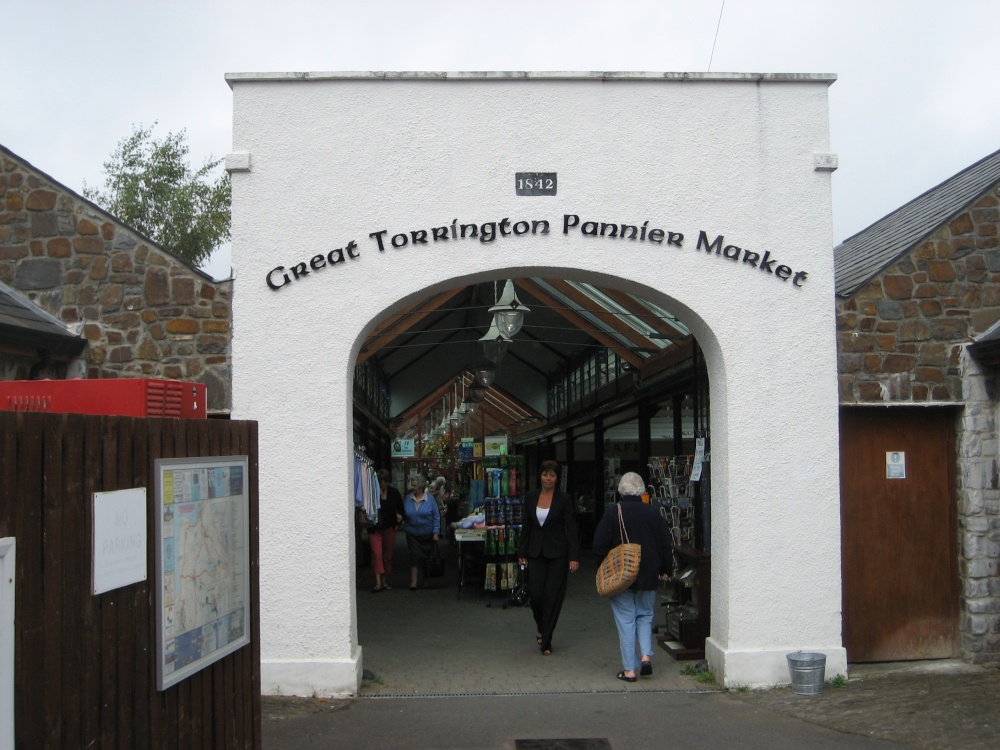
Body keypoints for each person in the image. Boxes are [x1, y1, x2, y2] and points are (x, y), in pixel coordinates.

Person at [593, 471, 673, 682]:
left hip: (622, 574)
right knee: (645, 615)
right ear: (642, 491)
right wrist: (666, 569)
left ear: (620, 490)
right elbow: (666, 544)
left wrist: (603, 566)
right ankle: (646, 656)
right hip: (648, 573)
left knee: (626, 620)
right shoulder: (653, 513)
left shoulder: (613, 512)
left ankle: (629, 670)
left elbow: (598, 545)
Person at [517, 460, 580, 655]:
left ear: (557, 478)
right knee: (536, 595)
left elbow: (571, 527)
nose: (548, 478)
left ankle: (547, 639)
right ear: (540, 476)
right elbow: (526, 526)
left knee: (552, 597)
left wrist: (574, 556)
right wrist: (521, 552)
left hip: (558, 554)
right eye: (545, 475)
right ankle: (541, 626)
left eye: (552, 475)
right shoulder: (530, 497)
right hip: (535, 552)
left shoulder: (564, 499)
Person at [402, 473, 440, 591]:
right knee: (414, 556)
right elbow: (404, 513)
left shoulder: (430, 499)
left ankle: (426, 579)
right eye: (412, 485)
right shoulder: (408, 498)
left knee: (426, 558)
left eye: (415, 485)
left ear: (421, 487)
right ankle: (413, 582)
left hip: (427, 533)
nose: (412, 487)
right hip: (412, 532)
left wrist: (436, 532)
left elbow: (436, 516)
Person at [369, 469, 405, 592]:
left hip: (390, 528)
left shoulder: (394, 493)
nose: (381, 485)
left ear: (388, 482)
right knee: (377, 554)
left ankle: (384, 580)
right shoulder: (372, 493)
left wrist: (398, 522)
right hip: (375, 529)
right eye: (379, 483)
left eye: (383, 483)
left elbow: (401, 509)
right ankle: (378, 582)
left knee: (387, 556)